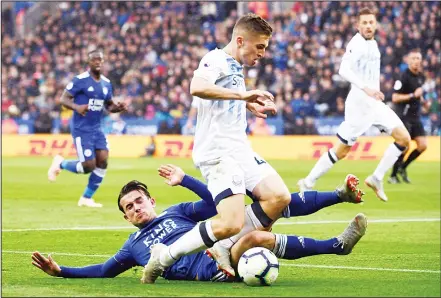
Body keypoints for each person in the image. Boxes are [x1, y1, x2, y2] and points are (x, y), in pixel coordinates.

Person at [143, 13, 292, 283]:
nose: (263, 54)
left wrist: (248, 104)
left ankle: (221, 248)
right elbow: (197, 87)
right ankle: (164, 256)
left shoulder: (235, 66)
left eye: (265, 48)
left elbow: (222, 96)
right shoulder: (215, 59)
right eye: (259, 47)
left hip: (239, 148)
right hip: (218, 152)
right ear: (240, 40)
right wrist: (243, 95)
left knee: (279, 197)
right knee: (230, 224)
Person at [31, 164, 367, 283]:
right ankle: (334, 246)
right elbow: (104, 271)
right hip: (213, 266)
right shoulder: (133, 248)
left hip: (224, 234)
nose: (135, 208)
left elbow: (213, 203)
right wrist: (62, 271)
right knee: (256, 240)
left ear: (152, 201)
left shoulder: (175, 211)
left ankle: (339, 195)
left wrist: (185, 179)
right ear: (125, 216)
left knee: (275, 200)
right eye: (128, 207)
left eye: (139, 201)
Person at [297, 7, 411, 202]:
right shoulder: (356, 44)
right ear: (358, 25)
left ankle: (376, 178)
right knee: (342, 151)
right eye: (364, 23)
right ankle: (307, 182)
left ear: (376, 25)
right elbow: (343, 69)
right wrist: (365, 88)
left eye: (371, 22)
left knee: (404, 139)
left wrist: (373, 89)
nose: (368, 26)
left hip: (374, 103)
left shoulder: (373, 44)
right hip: (359, 106)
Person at [47, 49, 127, 207]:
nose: (97, 62)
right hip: (81, 128)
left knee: (103, 160)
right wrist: (76, 107)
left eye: (100, 59)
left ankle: (86, 198)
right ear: (89, 62)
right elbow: (63, 99)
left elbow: (109, 105)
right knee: (88, 166)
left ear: (103, 62)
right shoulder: (80, 80)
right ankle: (60, 163)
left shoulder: (106, 83)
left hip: (97, 128)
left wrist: (118, 108)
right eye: (94, 59)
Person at [388, 49, 428, 184]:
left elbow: (418, 94)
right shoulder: (403, 76)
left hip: (416, 116)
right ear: (408, 61)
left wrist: (423, 101)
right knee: (404, 146)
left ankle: (403, 168)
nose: (416, 61)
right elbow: (394, 97)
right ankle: (392, 175)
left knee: (422, 145)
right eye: (413, 58)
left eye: (418, 58)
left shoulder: (421, 77)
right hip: (404, 116)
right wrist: (412, 95)